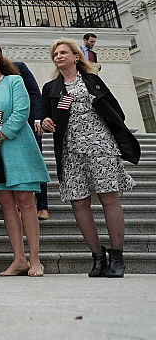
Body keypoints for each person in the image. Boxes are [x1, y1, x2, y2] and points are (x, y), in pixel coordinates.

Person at [41, 38, 139, 277]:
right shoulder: (51, 88)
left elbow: (116, 110)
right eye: (55, 54)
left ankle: (117, 257)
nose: (59, 56)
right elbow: (45, 118)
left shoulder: (92, 80)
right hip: (70, 149)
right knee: (79, 202)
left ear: (76, 56)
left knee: (109, 199)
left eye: (63, 52)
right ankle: (97, 257)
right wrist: (45, 122)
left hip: (100, 145)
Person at [0, 46, 50, 277]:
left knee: (25, 200)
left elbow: (22, 111)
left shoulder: (14, 81)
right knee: (6, 204)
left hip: (16, 145)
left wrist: (1, 134)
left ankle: (35, 260)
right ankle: (19, 259)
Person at [0, 40, 47, 220]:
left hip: (27, 126)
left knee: (33, 165)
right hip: (1, 130)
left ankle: (42, 204)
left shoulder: (18, 70)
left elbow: (34, 94)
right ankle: (19, 205)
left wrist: (37, 118)